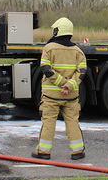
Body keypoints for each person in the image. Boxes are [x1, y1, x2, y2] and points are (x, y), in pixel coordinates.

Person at [31, 17, 88, 160]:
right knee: (73, 122)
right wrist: (68, 85)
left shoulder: (49, 48)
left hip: (51, 96)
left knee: (48, 122)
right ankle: (78, 151)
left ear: (56, 31)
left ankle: (43, 152)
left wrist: (61, 83)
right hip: (71, 96)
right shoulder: (78, 51)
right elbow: (81, 73)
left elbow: (46, 69)